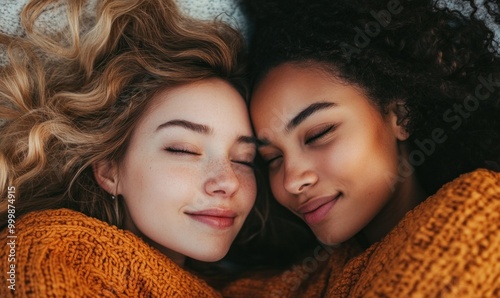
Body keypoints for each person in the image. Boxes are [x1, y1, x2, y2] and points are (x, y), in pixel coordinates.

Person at [223, 0, 500, 296]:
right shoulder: (317, 274)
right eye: (273, 158)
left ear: (401, 116)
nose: (292, 181)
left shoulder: (479, 215)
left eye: (319, 134)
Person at [0, 0, 261, 296]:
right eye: (183, 149)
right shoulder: (52, 248)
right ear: (110, 170)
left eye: (244, 159)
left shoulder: (245, 285)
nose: (228, 182)